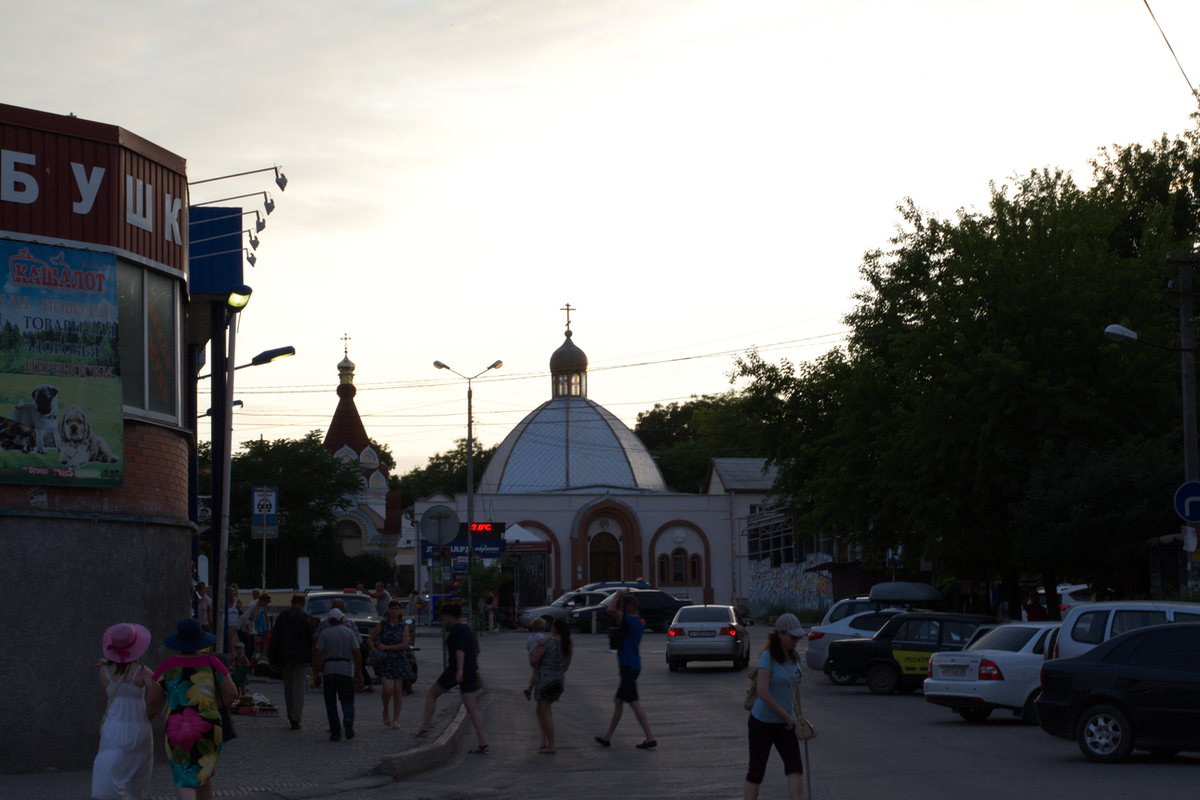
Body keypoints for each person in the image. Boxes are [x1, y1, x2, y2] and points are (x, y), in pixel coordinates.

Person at [146, 618, 238, 800]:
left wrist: (149, 715)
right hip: (210, 726)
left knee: (185, 778)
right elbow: (232, 693)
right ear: (200, 640)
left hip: (178, 728)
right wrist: (216, 708)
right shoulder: (213, 663)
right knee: (204, 773)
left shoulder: (167, 665)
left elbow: (152, 699)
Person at [744, 613, 806, 800]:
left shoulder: (795, 657)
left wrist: (798, 716)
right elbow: (763, 692)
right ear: (780, 634)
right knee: (756, 770)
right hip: (762, 722)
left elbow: (794, 687)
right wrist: (786, 716)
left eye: (798, 637)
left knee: (795, 767)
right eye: (792, 637)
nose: (796, 640)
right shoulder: (767, 656)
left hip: (786, 723)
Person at [92, 622, 155, 800]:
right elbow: (158, 689)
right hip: (139, 725)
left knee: (110, 770)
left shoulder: (104, 671)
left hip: (113, 726)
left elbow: (106, 694)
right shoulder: (141, 671)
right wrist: (153, 711)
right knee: (137, 777)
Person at [413, 603, 488, 754]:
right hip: (471, 671)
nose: (443, 619)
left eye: (443, 616)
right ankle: (483, 743)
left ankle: (424, 728)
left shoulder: (456, 629)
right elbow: (476, 651)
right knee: (473, 709)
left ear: (448, 615)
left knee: (432, 693)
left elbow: (459, 650)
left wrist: (459, 671)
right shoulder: (469, 627)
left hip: (456, 670)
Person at [595, 588, 656, 749]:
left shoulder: (631, 620)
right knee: (618, 701)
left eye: (623, 606)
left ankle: (650, 737)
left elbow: (610, 610)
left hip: (628, 666)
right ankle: (607, 737)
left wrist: (617, 595)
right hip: (632, 665)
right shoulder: (639, 620)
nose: (620, 608)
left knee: (634, 702)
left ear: (629, 607)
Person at [313, 608, 363, 741]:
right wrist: (359, 671)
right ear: (342, 619)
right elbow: (357, 652)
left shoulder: (324, 633)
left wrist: (316, 671)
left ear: (329, 620)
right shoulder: (349, 632)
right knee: (347, 699)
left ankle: (335, 732)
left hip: (329, 669)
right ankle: (348, 718)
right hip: (345, 669)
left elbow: (318, 653)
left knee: (330, 702)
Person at [268, 593, 315, 729]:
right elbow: (313, 640)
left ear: (291, 602)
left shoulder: (284, 616)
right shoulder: (308, 618)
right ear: (303, 603)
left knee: (289, 687)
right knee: (300, 687)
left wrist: (273, 660)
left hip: (286, 656)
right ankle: (297, 717)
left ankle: (290, 713)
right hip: (303, 657)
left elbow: (275, 638)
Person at [368, 598, 412, 728]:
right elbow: (370, 640)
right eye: (392, 608)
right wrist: (375, 651)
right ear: (389, 610)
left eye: (396, 609)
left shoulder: (404, 626)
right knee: (387, 690)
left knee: (397, 690)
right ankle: (385, 710)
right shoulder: (382, 624)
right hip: (385, 661)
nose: (394, 611)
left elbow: (404, 645)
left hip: (399, 659)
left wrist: (386, 647)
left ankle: (396, 719)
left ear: (400, 611)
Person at [530, 619, 572, 754]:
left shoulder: (548, 644)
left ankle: (551, 744)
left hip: (544, 682)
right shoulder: (568, 644)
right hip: (558, 683)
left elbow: (533, 661)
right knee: (543, 710)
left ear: (554, 629)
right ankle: (545, 741)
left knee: (546, 712)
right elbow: (566, 667)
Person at [523, 618, 547, 701]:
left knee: (534, 673)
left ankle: (530, 689)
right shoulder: (540, 635)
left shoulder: (531, 637)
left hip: (531, 656)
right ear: (543, 629)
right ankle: (530, 689)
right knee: (537, 674)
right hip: (537, 657)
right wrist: (548, 639)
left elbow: (527, 647)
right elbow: (541, 643)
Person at [224, 584, 243, 654]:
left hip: (236, 625)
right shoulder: (224, 602)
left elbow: (243, 611)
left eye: (233, 594)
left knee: (234, 642)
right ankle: (229, 657)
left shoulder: (237, 600)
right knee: (228, 642)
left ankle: (235, 656)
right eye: (230, 594)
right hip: (227, 625)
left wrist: (239, 608)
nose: (232, 596)